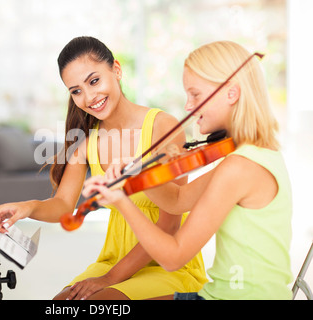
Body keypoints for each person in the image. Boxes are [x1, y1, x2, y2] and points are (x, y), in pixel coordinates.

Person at [0, 36, 207, 300]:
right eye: (76, 91)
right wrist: (27, 207)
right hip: (115, 260)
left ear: (117, 70)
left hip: (166, 264)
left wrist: (109, 279)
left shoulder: (163, 126)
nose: (89, 97)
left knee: (99, 302)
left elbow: (169, 226)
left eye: (94, 81)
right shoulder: (87, 143)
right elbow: (63, 204)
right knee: (61, 304)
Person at [82, 40, 293, 300]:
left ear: (231, 93)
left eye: (195, 94)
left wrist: (121, 201)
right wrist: (136, 173)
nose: (188, 107)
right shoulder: (255, 153)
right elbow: (177, 200)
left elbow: (173, 257)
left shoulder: (239, 167)